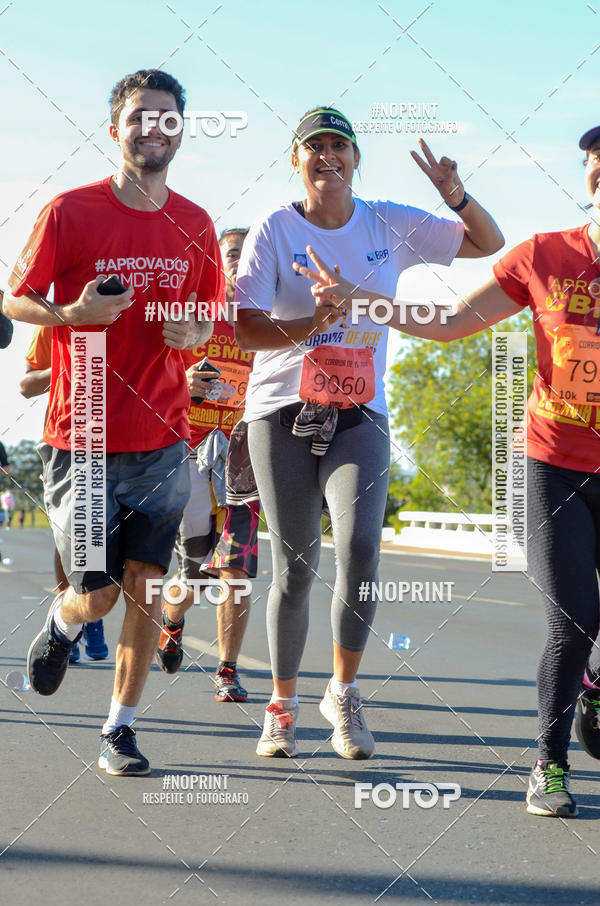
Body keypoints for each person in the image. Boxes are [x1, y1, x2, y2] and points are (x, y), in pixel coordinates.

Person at [294, 123, 600, 814]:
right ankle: (550, 766)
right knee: (573, 617)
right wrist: (359, 297)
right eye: (595, 163)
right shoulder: (546, 256)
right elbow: (447, 322)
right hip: (552, 462)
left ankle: (595, 686)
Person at [235, 106, 504, 759]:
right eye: (315, 147)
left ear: (356, 159)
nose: (328, 156)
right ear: (296, 159)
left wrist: (457, 197)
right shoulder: (274, 227)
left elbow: (486, 244)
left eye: (340, 146)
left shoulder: (387, 219)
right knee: (296, 564)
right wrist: (311, 323)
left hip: (361, 410)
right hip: (281, 408)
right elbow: (244, 327)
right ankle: (282, 705)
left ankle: (345, 696)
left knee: (360, 550)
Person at [3, 69, 222, 776]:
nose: (151, 128)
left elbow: (207, 311)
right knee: (96, 593)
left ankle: (118, 730)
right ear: (115, 129)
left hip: (163, 434)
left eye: (165, 117)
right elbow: (15, 299)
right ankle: (64, 623)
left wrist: (195, 333)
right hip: (85, 431)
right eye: (138, 117)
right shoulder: (71, 211)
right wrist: (68, 315)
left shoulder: (195, 223)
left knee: (146, 589)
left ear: (180, 129)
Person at [156, 227, 260, 702]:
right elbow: (152, 381)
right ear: (219, 261)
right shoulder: (193, 311)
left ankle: (227, 670)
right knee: (195, 575)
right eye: (234, 254)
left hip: (244, 457)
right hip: (191, 454)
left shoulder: (268, 321)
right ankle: (173, 622)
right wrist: (185, 387)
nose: (242, 262)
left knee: (235, 571)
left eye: (251, 253)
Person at [20, 326, 109, 663]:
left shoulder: (143, 313)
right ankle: (69, 616)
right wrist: (67, 363)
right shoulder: (57, 320)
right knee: (71, 536)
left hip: (130, 444)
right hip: (69, 440)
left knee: (108, 538)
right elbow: (26, 385)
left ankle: (93, 610)